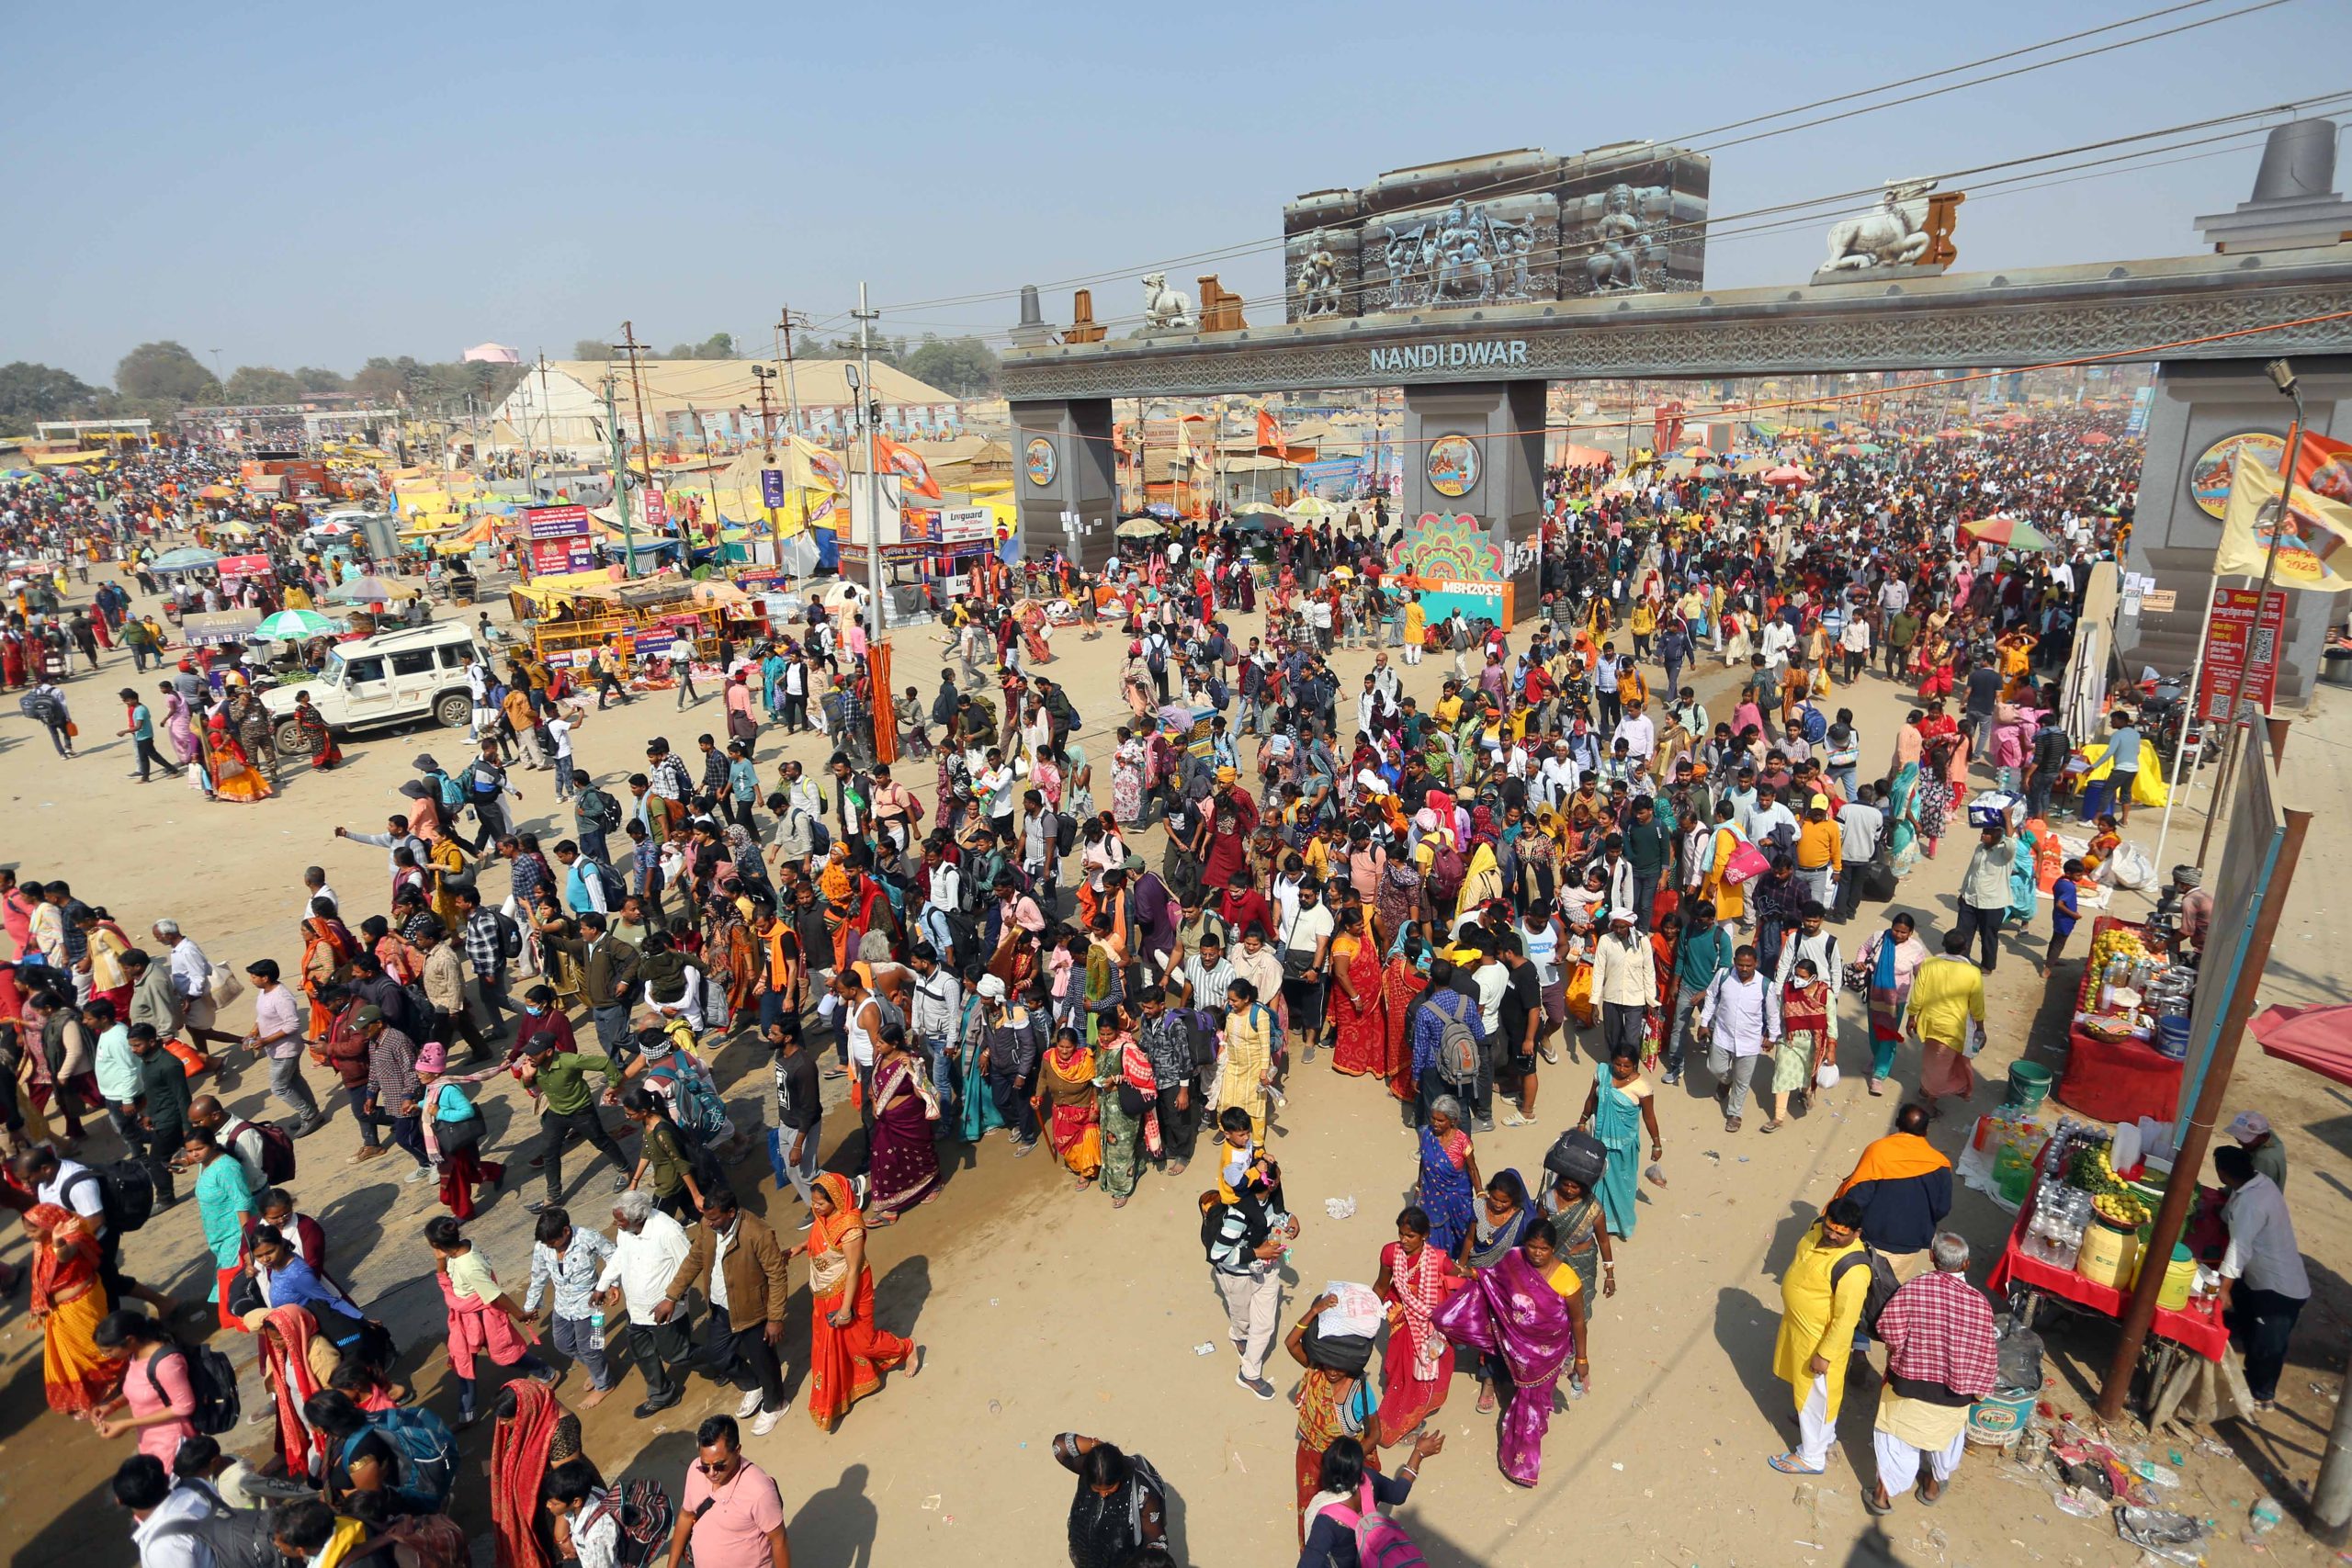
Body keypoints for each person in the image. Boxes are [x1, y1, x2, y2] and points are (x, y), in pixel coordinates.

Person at [1431, 1216, 1585, 1486]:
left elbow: (1578, 1321)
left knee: (1533, 1400)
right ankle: (1526, 1443)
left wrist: (1582, 1358)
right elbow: (1493, 1278)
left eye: (1543, 1248)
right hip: (1518, 1345)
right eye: (1531, 1246)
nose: (1536, 1253)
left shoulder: (1567, 1279)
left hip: (1549, 1353)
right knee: (1530, 1401)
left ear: (1553, 1248)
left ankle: (1522, 1465)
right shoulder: (1515, 1259)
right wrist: (1471, 1273)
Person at [1868, 1231, 1998, 1515]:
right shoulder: (1980, 1304)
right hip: (1956, 1394)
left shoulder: (1913, 1289)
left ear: (1931, 1257)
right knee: (1946, 1438)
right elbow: (1987, 1355)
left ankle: (1882, 1496)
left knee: (1896, 1437)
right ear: (1966, 1264)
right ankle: (1931, 1488)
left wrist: (1901, 1349)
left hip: (1908, 1386)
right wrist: (1980, 1392)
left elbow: (1888, 1330)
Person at [797, 1170, 920, 1431]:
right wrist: (799, 1247)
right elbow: (823, 1241)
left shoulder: (851, 1228)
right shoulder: (825, 1216)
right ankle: (843, 1393)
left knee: (864, 1341)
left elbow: (852, 1270)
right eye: (814, 1202)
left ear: (838, 1200)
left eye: (821, 1203)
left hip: (850, 1290)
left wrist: (844, 1310)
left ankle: (906, 1348)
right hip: (826, 1291)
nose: (815, 1208)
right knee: (830, 1342)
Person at [1769, 1195, 1871, 1474]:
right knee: (1809, 1396)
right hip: (1798, 1330)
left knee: (1816, 1398)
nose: (1833, 1236)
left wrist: (1825, 1355)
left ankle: (1811, 1457)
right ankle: (1816, 1433)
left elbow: (1845, 1320)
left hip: (1819, 1342)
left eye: (1841, 1233)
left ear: (1856, 1233)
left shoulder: (1853, 1269)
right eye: (1830, 1228)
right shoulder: (1816, 1229)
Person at [425, 1213, 555, 1426]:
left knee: (506, 1354)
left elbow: (495, 1295)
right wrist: (440, 1260)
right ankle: (466, 1414)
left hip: (482, 1318)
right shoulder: (463, 1248)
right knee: (464, 1363)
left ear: (436, 1244)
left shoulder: (469, 1267)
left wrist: (519, 1315)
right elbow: (447, 1278)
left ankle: (546, 1372)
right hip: (468, 1319)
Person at [2214, 1143, 2310, 1410]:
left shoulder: (2253, 1204)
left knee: (2266, 1346)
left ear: (2222, 1174)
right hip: (2260, 1278)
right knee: (2244, 1322)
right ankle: (2231, 1363)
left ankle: (2262, 1395)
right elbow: (2233, 1209)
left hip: (2280, 1288)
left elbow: (2239, 1247)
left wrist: (2223, 1289)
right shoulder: (2260, 1183)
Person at [1203, 1136, 1291, 1401]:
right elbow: (1217, 1254)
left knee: (1263, 1326)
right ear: (1269, 1184)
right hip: (1235, 1275)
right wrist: (1256, 1251)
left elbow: (1274, 1216)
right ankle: (1238, 1335)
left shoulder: (1268, 1202)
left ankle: (1249, 1374)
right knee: (1243, 1320)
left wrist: (1289, 1219)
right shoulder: (1237, 1216)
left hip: (1265, 1271)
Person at [594, 1189, 695, 1418]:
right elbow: (621, 1257)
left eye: (619, 1219)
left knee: (678, 1355)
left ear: (637, 1218)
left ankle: (721, 1362)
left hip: (665, 1311)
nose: (615, 1223)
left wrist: (672, 1300)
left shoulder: (668, 1231)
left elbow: (688, 1267)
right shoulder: (626, 1231)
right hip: (636, 1309)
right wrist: (603, 1285)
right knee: (642, 1353)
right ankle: (662, 1394)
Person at [1372, 1204, 1464, 1437]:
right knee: (1398, 1361)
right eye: (1401, 1234)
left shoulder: (1440, 1260)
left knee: (1429, 1363)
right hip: (1401, 1314)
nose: (1404, 1240)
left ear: (1425, 1236)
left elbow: (1459, 1287)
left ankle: (1418, 1407)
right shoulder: (1390, 1253)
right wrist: (1367, 1311)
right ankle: (1402, 1398)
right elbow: (1382, 1286)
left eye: (1410, 1236)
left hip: (1431, 1319)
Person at [1836, 1104, 1955, 1278]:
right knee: (1887, 1291)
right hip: (1909, 1245)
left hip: (1871, 1239)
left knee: (1856, 1287)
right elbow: (1942, 1208)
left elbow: (1858, 1198)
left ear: (1897, 1123)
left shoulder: (1878, 1151)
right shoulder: (1941, 1164)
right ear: (1926, 1131)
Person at [524, 1206, 619, 1410]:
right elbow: (538, 1276)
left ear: (566, 1231)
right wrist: (531, 1306)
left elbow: (613, 1256)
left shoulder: (588, 1237)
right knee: (563, 1344)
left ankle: (604, 1384)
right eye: (547, 1244)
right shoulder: (543, 1247)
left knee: (590, 1346)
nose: (550, 1247)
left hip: (591, 1304)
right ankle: (599, 1366)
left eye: (553, 1243)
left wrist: (612, 1284)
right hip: (562, 1306)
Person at [26, 1202, 117, 1416]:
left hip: (83, 1303)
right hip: (61, 1312)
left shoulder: (75, 1237)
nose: (29, 1237)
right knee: (75, 1358)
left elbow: (64, 1256)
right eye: (27, 1232)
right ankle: (91, 1395)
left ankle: (120, 1385)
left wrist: (58, 1239)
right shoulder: (41, 1245)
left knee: (96, 1349)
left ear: (50, 1224)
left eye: (33, 1230)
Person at [668, 1415, 790, 1568]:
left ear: (737, 1451)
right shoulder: (695, 1469)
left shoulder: (759, 1491)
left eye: (719, 1465)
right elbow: (686, 1516)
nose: (711, 1473)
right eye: (705, 1466)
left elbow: (779, 1540)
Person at [1697, 943, 1780, 1134]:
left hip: (1749, 1041)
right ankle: (1725, 1081)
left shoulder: (1765, 985)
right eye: (1740, 965)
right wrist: (1704, 1022)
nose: (1744, 969)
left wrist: (1773, 1036)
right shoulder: (1724, 976)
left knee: (1742, 1081)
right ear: (1734, 962)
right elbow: (1711, 996)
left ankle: (1734, 1114)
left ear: (1756, 964)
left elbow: (1773, 1013)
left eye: (1748, 965)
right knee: (1715, 1067)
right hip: (1723, 1035)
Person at [1905, 929, 1986, 1120]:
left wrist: (1911, 1017)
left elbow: (1917, 995)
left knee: (1932, 1060)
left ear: (1943, 944)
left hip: (1930, 1022)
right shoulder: (1972, 972)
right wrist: (1981, 1028)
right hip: (1953, 1027)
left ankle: (1925, 1090)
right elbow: (1977, 1004)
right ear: (1965, 948)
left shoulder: (1929, 965)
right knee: (1940, 1066)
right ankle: (1929, 1104)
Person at [1053, 1432, 1168, 1568]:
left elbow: (1156, 1540)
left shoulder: (1143, 1493)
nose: (1103, 1494)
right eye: (1096, 1489)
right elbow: (1059, 1446)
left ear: (1120, 1475)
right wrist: (1099, 1449)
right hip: (1085, 1558)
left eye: (1110, 1487)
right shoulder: (1088, 1467)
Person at [865, 1025, 943, 1222]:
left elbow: (921, 1093)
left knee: (918, 1156)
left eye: (881, 1043)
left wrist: (912, 1070)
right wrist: (875, 1103)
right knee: (884, 1159)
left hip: (909, 1119)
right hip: (886, 1121)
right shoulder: (879, 1060)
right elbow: (873, 1087)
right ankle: (892, 1203)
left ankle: (931, 1184)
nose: (877, 1045)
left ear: (894, 1044)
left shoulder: (912, 1061)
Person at [1858, 912, 1929, 1095]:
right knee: (1875, 1031)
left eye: (1903, 932)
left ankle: (1879, 1075)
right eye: (1896, 930)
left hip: (1897, 999)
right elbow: (1864, 949)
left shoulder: (1916, 949)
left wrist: (1920, 1001)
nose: (1898, 935)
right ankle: (1876, 1056)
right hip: (1876, 994)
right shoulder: (1879, 937)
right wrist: (1860, 962)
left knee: (1888, 1034)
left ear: (1911, 933)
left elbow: (1920, 976)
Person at [1035, 1024, 1103, 1189]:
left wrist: (1096, 1106)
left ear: (1076, 1046)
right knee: (1066, 1144)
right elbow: (1042, 1078)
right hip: (1061, 1110)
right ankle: (1077, 1165)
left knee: (1086, 1142)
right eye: (1061, 1047)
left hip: (1084, 1110)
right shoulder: (1048, 1058)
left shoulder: (1085, 1061)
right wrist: (1038, 1096)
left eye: (1068, 1047)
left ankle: (1086, 1173)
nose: (1064, 1051)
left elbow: (1097, 1085)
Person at [1414, 1094, 1480, 1257]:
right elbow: (1424, 1162)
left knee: (1461, 1232)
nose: (1435, 1123)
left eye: (1440, 1120)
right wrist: (1419, 1185)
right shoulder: (1426, 1135)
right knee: (1433, 1235)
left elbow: (1472, 1169)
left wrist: (1481, 1193)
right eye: (1433, 1118)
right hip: (1432, 1197)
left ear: (1453, 1120)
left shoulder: (1463, 1142)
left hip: (1457, 1197)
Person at [2227, 1110, 2290, 1190]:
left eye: (2246, 1139)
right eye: (2239, 1137)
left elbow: (2249, 1190)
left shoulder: (2264, 1159)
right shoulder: (2270, 1137)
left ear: (2262, 1136)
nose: (2239, 1142)